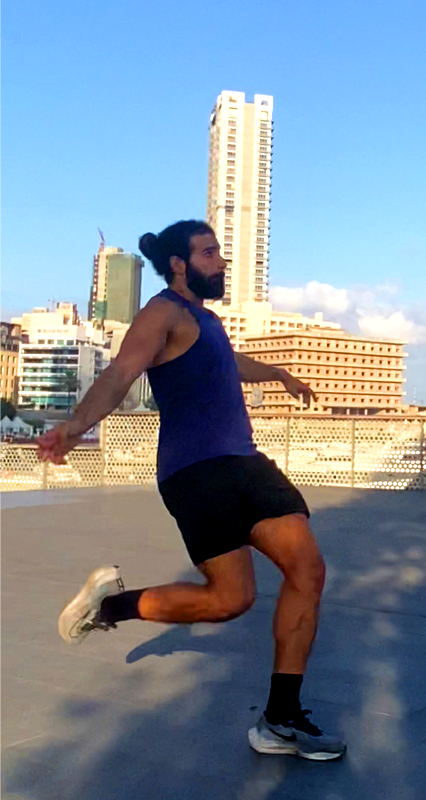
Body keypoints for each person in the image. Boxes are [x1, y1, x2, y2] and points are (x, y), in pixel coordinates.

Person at [37, 220, 346, 761]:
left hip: (244, 464)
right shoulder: (162, 312)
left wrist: (278, 373)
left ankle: (280, 718)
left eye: (219, 252)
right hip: (198, 473)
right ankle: (112, 608)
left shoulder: (205, 319)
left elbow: (228, 364)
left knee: (299, 573)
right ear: (179, 264)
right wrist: (75, 425)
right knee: (232, 599)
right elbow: (120, 374)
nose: (220, 262)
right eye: (209, 253)